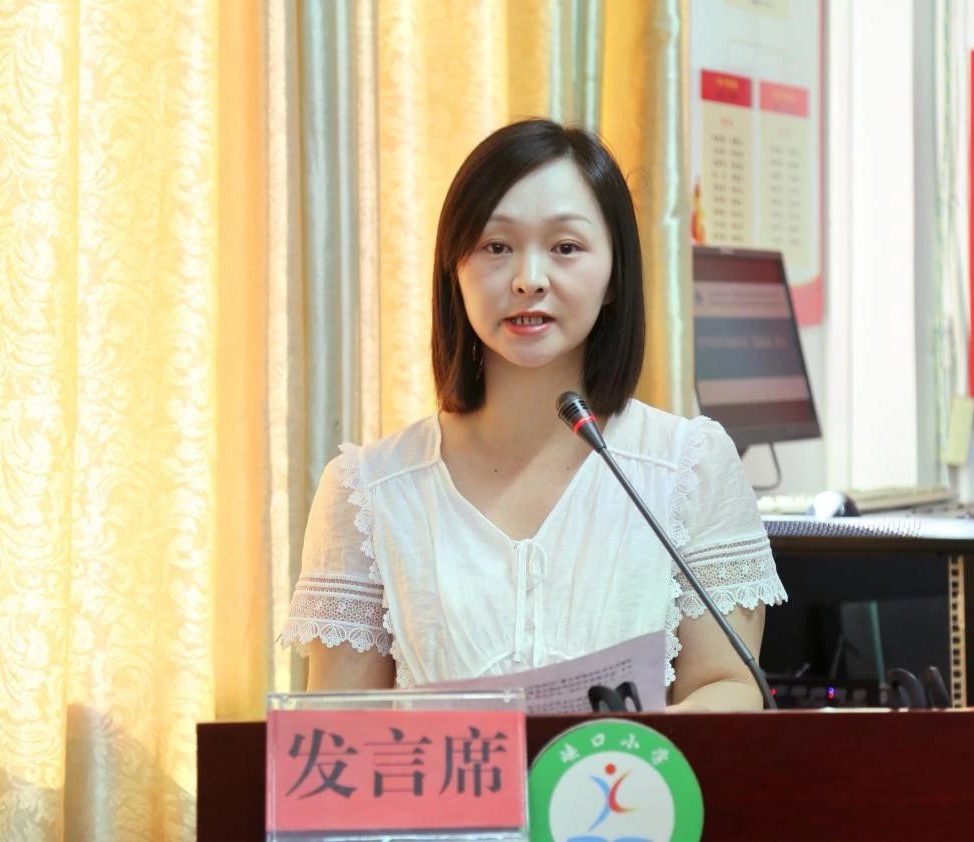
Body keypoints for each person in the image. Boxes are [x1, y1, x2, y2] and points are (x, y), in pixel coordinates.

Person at [280, 119, 786, 712]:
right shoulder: (368, 490)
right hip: (453, 778)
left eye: (565, 248)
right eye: (496, 247)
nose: (529, 280)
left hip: (621, 775)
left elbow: (728, 684)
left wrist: (618, 750)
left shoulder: (689, 466)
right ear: (454, 270)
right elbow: (337, 727)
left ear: (614, 275)